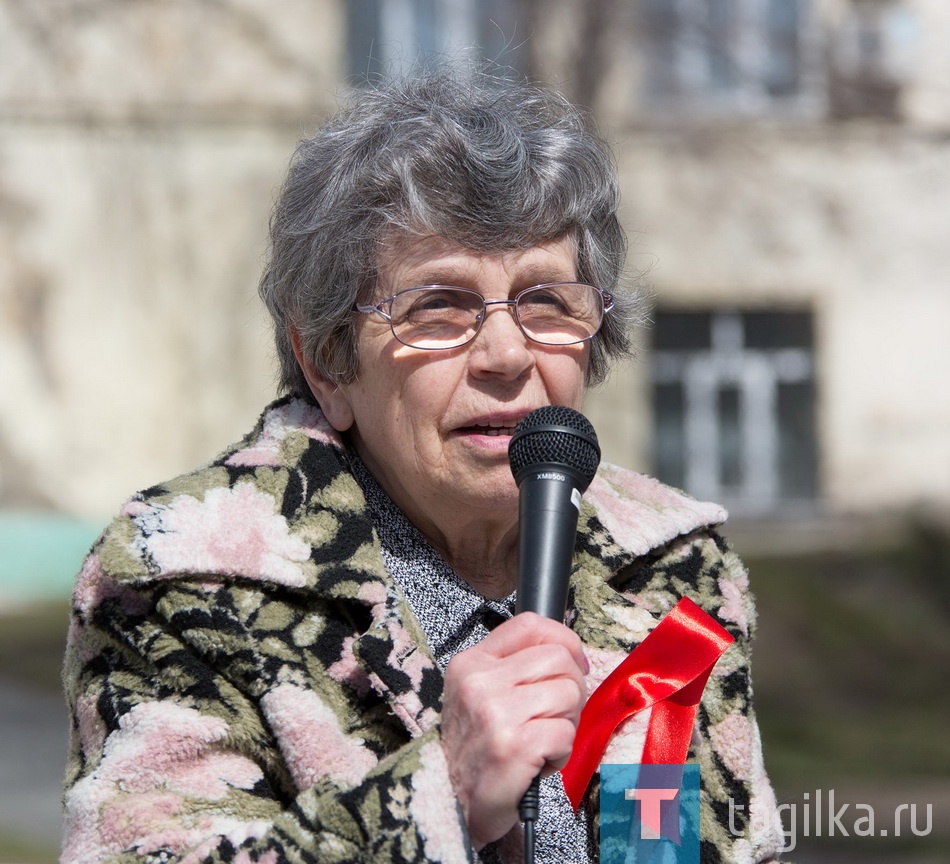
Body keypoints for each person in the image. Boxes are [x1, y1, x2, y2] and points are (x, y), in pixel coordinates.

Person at [62, 68, 787, 863]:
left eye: (546, 301)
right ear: (329, 363)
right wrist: (440, 796)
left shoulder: (672, 573)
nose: (508, 354)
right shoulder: (188, 580)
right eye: (439, 306)